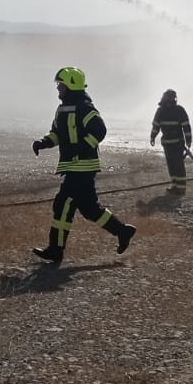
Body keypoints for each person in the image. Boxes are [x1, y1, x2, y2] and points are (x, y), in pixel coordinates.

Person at [30, 67, 136, 264]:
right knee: (89, 209)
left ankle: (55, 250)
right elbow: (56, 134)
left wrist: (81, 148)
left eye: (60, 84)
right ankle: (122, 231)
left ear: (71, 84)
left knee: (63, 205)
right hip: (72, 167)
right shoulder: (62, 109)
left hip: (83, 167)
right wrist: (43, 143)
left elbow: (99, 130)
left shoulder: (85, 107)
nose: (58, 88)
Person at [149, 88, 193, 195]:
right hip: (169, 144)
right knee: (172, 165)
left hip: (177, 143)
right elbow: (156, 126)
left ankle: (181, 188)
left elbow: (186, 127)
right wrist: (152, 137)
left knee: (177, 165)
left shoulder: (178, 110)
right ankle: (174, 185)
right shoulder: (162, 111)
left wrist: (188, 141)